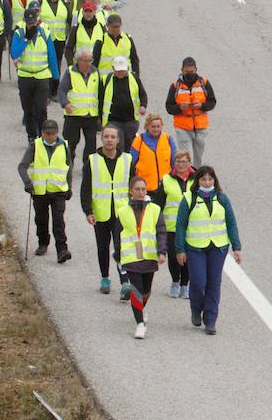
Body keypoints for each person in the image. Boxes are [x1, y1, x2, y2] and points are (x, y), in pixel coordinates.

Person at [176, 165, 242, 335]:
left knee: (214, 283)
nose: (207, 182)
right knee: (198, 282)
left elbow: (231, 222)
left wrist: (236, 247)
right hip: (195, 247)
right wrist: (180, 249)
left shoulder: (222, 198)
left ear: (214, 180)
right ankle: (196, 309)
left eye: (210, 179)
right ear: (198, 181)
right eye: (203, 179)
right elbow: (181, 226)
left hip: (218, 248)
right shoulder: (188, 199)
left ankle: (210, 319)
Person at [80, 125, 132, 295]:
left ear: (118, 140)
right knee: (102, 247)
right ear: (102, 139)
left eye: (112, 137)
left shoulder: (127, 160)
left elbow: (133, 186)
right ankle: (105, 278)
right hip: (101, 212)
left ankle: (125, 282)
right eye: (106, 137)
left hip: (121, 213)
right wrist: (88, 211)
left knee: (121, 247)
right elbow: (85, 188)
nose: (109, 140)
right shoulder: (93, 160)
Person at [116, 176, 166, 339]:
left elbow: (161, 231)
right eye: (137, 189)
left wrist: (161, 251)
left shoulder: (155, 209)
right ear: (131, 191)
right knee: (136, 289)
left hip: (149, 255)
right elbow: (117, 234)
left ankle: (140, 309)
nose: (140, 192)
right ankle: (139, 324)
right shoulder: (123, 211)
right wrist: (117, 253)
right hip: (131, 256)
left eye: (143, 189)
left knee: (146, 289)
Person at [17, 118, 72, 262]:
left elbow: (68, 168)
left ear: (57, 133)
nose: (49, 136)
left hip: (58, 191)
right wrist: (28, 183)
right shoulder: (35, 146)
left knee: (59, 221)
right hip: (39, 191)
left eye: (52, 133)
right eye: (47, 133)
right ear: (42, 133)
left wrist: (69, 187)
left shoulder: (64, 146)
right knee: (41, 219)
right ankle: (43, 243)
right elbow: (22, 166)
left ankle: (62, 250)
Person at [9, 2, 58, 141]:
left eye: (34, 22)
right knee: (28, 109)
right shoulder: (19, 32)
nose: (32, 25)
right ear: (25, 21)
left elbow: (51, 54)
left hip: (42, 76)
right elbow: (14, 53)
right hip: (25, 76)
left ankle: (43, 136)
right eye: (29, 22)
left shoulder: (44, 32)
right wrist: (26, 39)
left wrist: (55, 76)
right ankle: (31, 135)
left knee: (41, 109)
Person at [166, 57, 215, 166]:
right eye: (187, 72)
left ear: (196, 70)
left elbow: (212, 102)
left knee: (199, 157)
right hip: (182, 127)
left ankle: (197, 177)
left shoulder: (204, 83)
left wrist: (202, 105)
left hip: (201, 126)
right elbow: (169, 107)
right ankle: (187, 179)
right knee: (186, 157)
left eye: (192, 72)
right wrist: (179, 107)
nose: (189, 74)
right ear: (182, 70)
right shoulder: (175, 86)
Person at [58, 48, 101, 171]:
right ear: (78, 60)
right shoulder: (70, 72)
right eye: (85, 61)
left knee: (91, 145)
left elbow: (100, 93)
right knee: (70, 143)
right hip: (73, 115)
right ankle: (68, 164)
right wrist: (65, 104)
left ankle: (87, 168)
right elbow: (61, 90)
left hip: (91, 115)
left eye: (90, 60)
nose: (88, 63)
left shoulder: (95, 73)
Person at [160, 150, 196, 298]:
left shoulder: (196, 180)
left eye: (184, 162)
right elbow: (159, 203)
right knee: (174, 257)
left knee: (188, 256)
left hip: (191, 225)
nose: (181, 165)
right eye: (178, 162)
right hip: (171, 226)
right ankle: (175, 281)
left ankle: (185, 285)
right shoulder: (166, 179)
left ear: (189, 163)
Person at [101, 55, 147, 148]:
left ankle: (130, 162)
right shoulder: (106, 80)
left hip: (131, 120)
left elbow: (142, 94)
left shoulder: (134, 78)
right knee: (118, 145)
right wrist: (99, 120)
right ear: (113, 68)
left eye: (122, 70)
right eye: (118, 70)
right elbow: (100, 99)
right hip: (113, 120)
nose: (120, 72)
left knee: (131, 146)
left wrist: (143, 106)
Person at [128, 113, 171, 202]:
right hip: (145, 188)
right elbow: (131, 163)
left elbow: (174, 161)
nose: (156, 129)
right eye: (153, 126)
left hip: (165, 186)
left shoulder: (167, 138)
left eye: (158, 126)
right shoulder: (139, 140)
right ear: (147, 126)